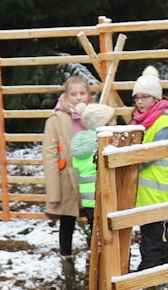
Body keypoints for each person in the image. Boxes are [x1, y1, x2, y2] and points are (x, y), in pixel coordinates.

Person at [129, 67, 168, 271]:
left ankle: (149, 271)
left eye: (145, 97)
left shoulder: (164, 124)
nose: (140, 102)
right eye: (137, 98)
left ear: (156, 98)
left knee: (154, 234)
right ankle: (162, 269)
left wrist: (129, 161)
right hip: (147, 190)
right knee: (154, 233)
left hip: (159, 188)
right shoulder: (140, 121)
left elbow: (152, 154)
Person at [41, 74, 93, 270]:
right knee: (67, 221)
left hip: (92, 178)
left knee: (95, 220)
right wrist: (53, 193)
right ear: (66, 95)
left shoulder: (95, 114)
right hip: (67, 179)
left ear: (88, 94)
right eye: (74, 94)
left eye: (82, 93)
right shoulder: (56, 120)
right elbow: (50, 155)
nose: (79, 97)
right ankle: (67, 264)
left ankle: (96, 261)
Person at [66, 102, 116, 257]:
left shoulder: (81, 144)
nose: (115, 123)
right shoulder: (101, 145)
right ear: (102, 125)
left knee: (98, 237)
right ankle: (104, 266)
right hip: (103, 197)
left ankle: (96, 263)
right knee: (108, 239)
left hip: (88, 200)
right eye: (112, 120)